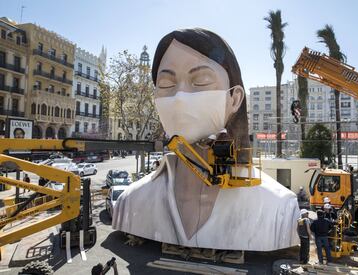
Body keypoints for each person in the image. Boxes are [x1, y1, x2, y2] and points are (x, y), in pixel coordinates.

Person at [112, 28, 300, 251]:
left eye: (200, 81)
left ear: (234, 98)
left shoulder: (279, 209)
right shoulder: (130, 201)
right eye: (166, 85)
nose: (179, 98)